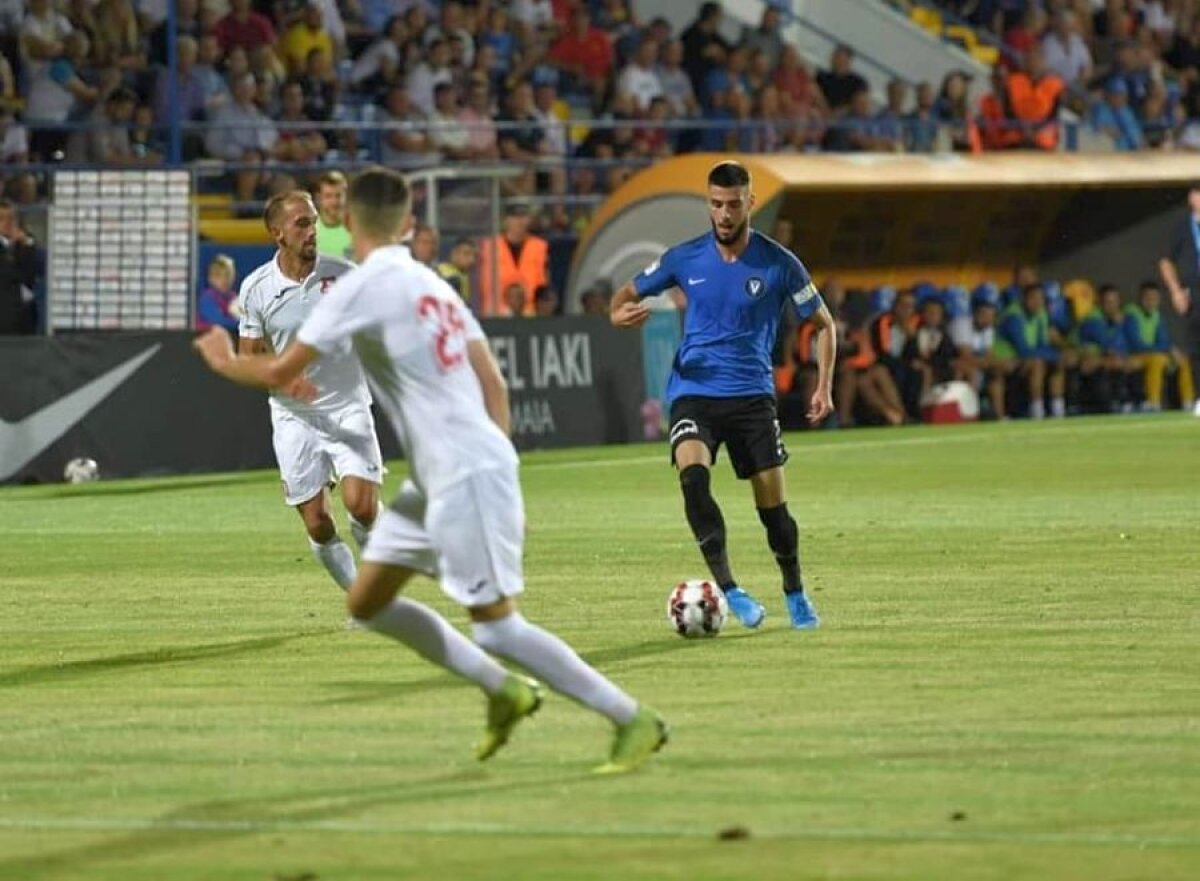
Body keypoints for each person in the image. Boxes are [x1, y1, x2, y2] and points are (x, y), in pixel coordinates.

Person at [194, 166, 666, 773]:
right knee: (366, 602)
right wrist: (501, 460)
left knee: (497, 629)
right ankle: (504, 691)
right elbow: (493, 381)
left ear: (347, 221)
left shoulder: (356, 286)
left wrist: (220, 358)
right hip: (446, 471)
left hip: (463, 471)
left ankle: (630, 718)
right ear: (405, 222)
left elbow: (276, 371)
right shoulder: (429, 284)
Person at [609, 160, 836, 631]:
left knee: (773, 512)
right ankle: (730, 590)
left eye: (733, 205)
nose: (725, 214)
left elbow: (824, 325)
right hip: (694, 392)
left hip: (752, 397)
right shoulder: (684, 258)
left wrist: (824, 385)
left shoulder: (780, 263)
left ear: (750, 203)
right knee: (693, 479)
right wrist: (618, 315)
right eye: (716, 205)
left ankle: (795, 592)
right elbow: (622, 296)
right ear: (708, 205)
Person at [236, 190, 382, 594]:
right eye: (302, 223)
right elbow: (249, 357)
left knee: (361, 506)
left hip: (348, 406)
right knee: (318, 523)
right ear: (277, 234)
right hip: (293, 416)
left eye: (314, 221)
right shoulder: (256, 289)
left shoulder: (345, 275)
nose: (312, 230)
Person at [1157, 182, 1200, 416]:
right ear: (1192, 198)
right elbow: (1166, 261)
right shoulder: (1182, 228)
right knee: (1196, 346)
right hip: (1194, 292)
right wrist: (1176, 291)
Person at [195, 253, 240, 332]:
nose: (224, 279)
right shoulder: (207, 298)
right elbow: (218, 322)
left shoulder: (233, 297)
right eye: (218, 275)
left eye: (228, 275)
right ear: (210, 278)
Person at [314, 169, 352, 260]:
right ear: (319, 198)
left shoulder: (356, 229)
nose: (334, 202)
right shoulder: (311, 230)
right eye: (328, 196)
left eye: (338, 196)